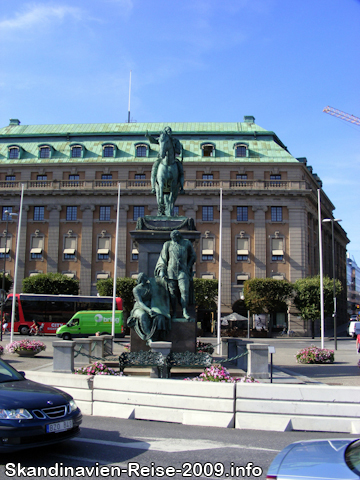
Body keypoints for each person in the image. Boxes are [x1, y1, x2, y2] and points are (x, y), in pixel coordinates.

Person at [155, 230, 196, 321]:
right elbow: (163, 258)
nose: (174, 240)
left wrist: (188, 266)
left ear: (179, 236)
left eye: (175, 238)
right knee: (172, 294)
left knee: (184, 291)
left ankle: (185, 311)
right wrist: (161, 270)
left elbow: (193, 255)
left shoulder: (186, 243)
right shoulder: (167, 244)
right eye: (173, 238)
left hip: (183, 271)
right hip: (171, 272)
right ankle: (174, 313)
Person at [127, 272, 170, 342]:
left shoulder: (150, 286)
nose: (144, 280)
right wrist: (148, 310)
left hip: (151, 307)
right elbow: (140, 302)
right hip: (139, 308)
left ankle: (159, 336)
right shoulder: (136, 289)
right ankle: (149, 337)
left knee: (160, 316)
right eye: (142, 278)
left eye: (145, 278)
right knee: (143, 315)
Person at [146, 126, 185, 196]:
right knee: (154, 168)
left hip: (173, 159)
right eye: (168, 131)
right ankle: (153, 187)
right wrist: (148, 136)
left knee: (180, 169)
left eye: (170, 130)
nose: (169, 131)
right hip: (161, 158)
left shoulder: (175, 141)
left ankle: (182, 187)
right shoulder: (162, 139)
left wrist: (171, 147)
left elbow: (178, 151)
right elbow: (153, 141)